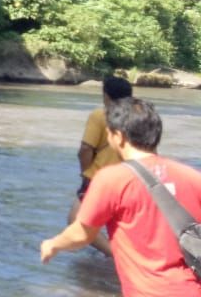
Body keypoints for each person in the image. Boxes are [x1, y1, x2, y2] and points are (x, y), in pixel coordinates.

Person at [40, 98, 201, 295]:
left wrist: (53, 245)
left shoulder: (112, 179)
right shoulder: (192, 177)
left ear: (119, 136)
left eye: (109, 132)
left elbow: (82, 234)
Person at [66, 75, 135, 255]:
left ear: (106, 96)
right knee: (119, 226)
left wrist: (85, 172)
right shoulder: (139, 119)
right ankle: (121, 259)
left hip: (100, 178)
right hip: (130, 179)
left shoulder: (100, 116)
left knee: (76, 222)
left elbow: (85, 149)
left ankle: (115, 255)